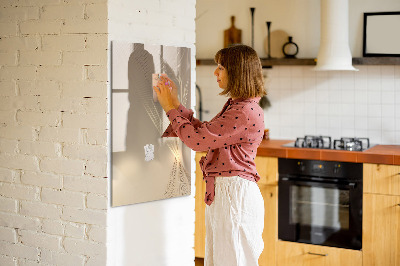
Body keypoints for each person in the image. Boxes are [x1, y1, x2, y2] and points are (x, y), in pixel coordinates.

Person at [153, 44, 266, 266]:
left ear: (237, 71)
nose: (215, 72)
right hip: (228, 193)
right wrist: (176, 104)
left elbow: (197, 141)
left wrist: (169, 108)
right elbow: (205, 133)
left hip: (234, 195)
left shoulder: (243, 111)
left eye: (221, 67)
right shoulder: (239, 106)